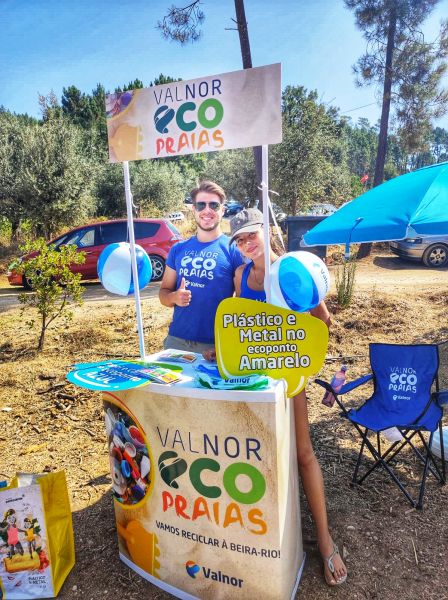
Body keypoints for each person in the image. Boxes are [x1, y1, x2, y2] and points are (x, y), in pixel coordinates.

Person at [229, 208, 348, 587]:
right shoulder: (241, 275)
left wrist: (294, 346)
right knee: (259, 456)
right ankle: (266, 537)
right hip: (252, 381)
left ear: (267, 231)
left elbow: (323, 321)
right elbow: (240, 323)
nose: (246, 244)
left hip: (289, 379)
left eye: (251, 234)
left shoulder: (292, 268)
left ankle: (325, 542)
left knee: (303, 454)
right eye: (239, 240)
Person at [159, 181, 243, 353]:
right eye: (201, 205)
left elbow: (242, 304)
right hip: (176, 342)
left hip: (214, 345)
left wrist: (229, 344)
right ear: (194, 210)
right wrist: (174, 297)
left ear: (222, 210)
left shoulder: (234, 250)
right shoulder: (178, 249)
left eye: (214, 205)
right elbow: (163, 294)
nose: (207, 210)